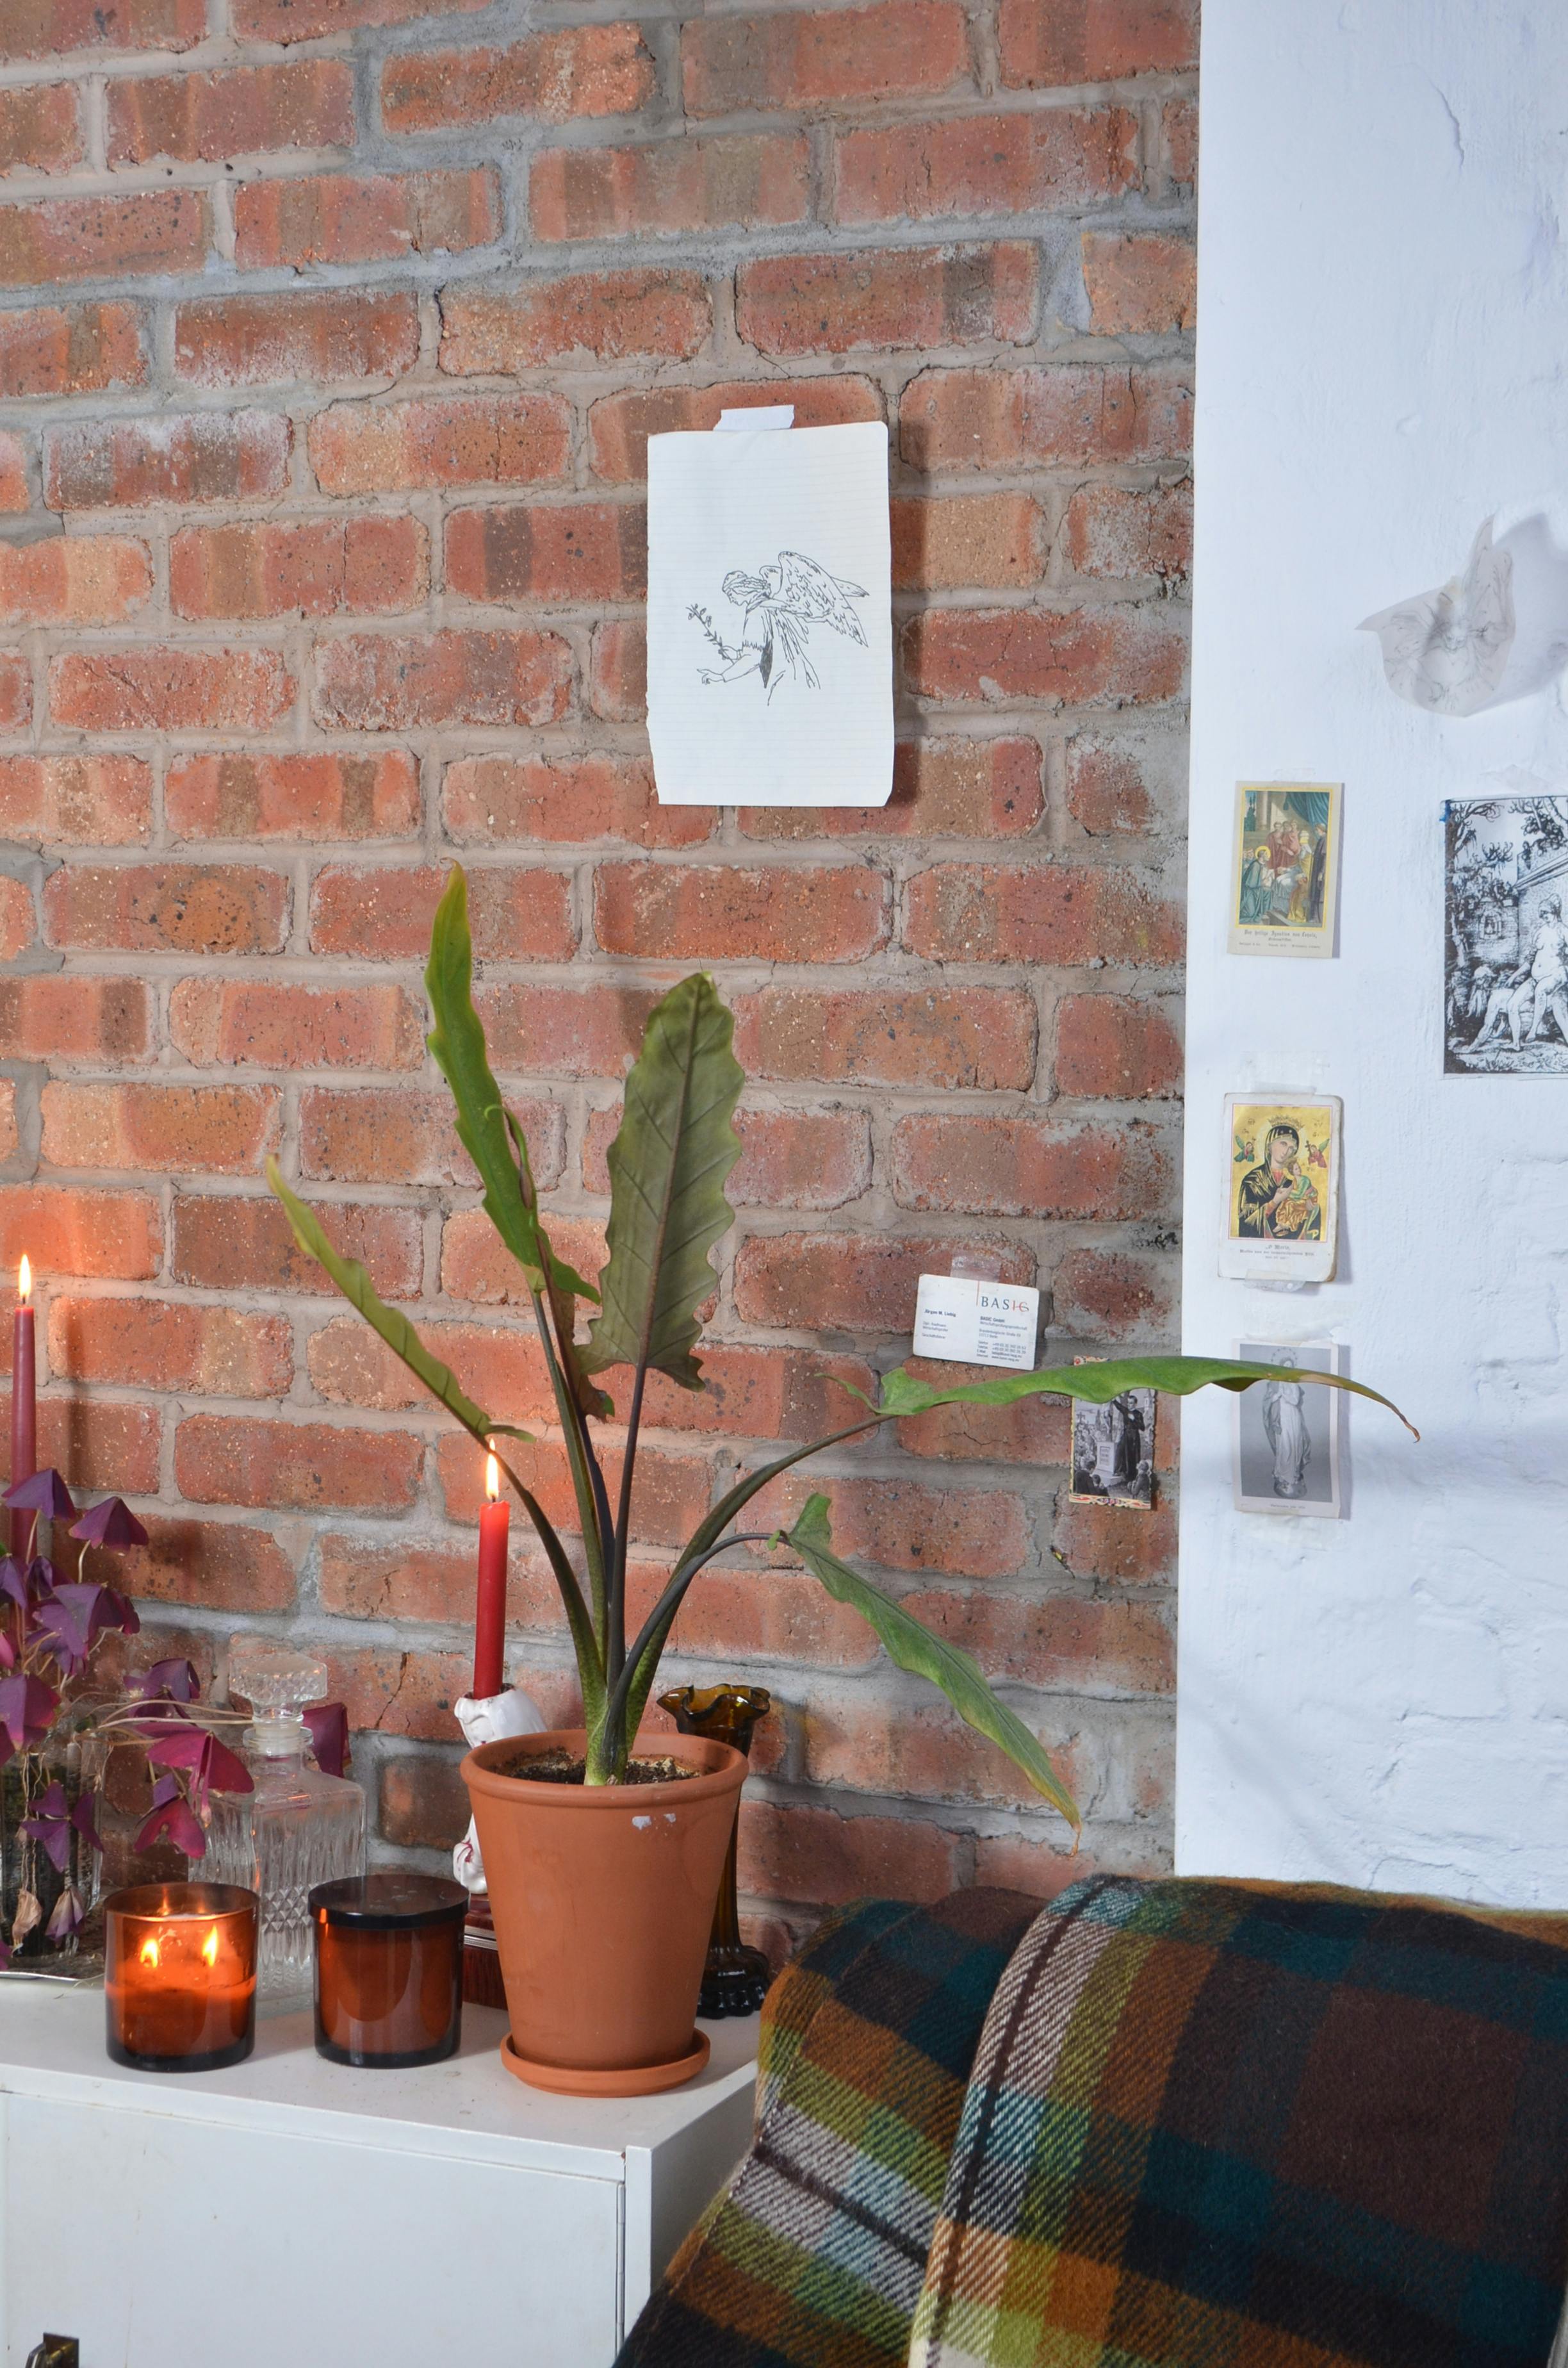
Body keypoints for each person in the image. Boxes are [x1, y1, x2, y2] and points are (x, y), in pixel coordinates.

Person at [1236, 1122, 1321, 1241]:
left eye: (1292, 1148)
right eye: (1283, 1144)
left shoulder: (1294, 1183)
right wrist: (1275, 1202)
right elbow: (1245, 1223)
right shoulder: (1252, 1181)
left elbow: (1306, 1206)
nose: (1287, 1151)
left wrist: (1309, 1208)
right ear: (1269, 1146)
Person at [1262, 1374, 1311, 1497]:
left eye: (1290, 1366)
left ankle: (1293, 1474)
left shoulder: (1294, 1385)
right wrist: (1276, 1396)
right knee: (1285, 1445)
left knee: (1295, 1443)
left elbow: (1295, 1400)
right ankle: (1283, 1476)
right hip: (1281, 1418)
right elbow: (1268, 1401)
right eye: (1285, 1366)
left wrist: (1284, 1395)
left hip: (1293, 1416)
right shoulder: (1275, 1384)